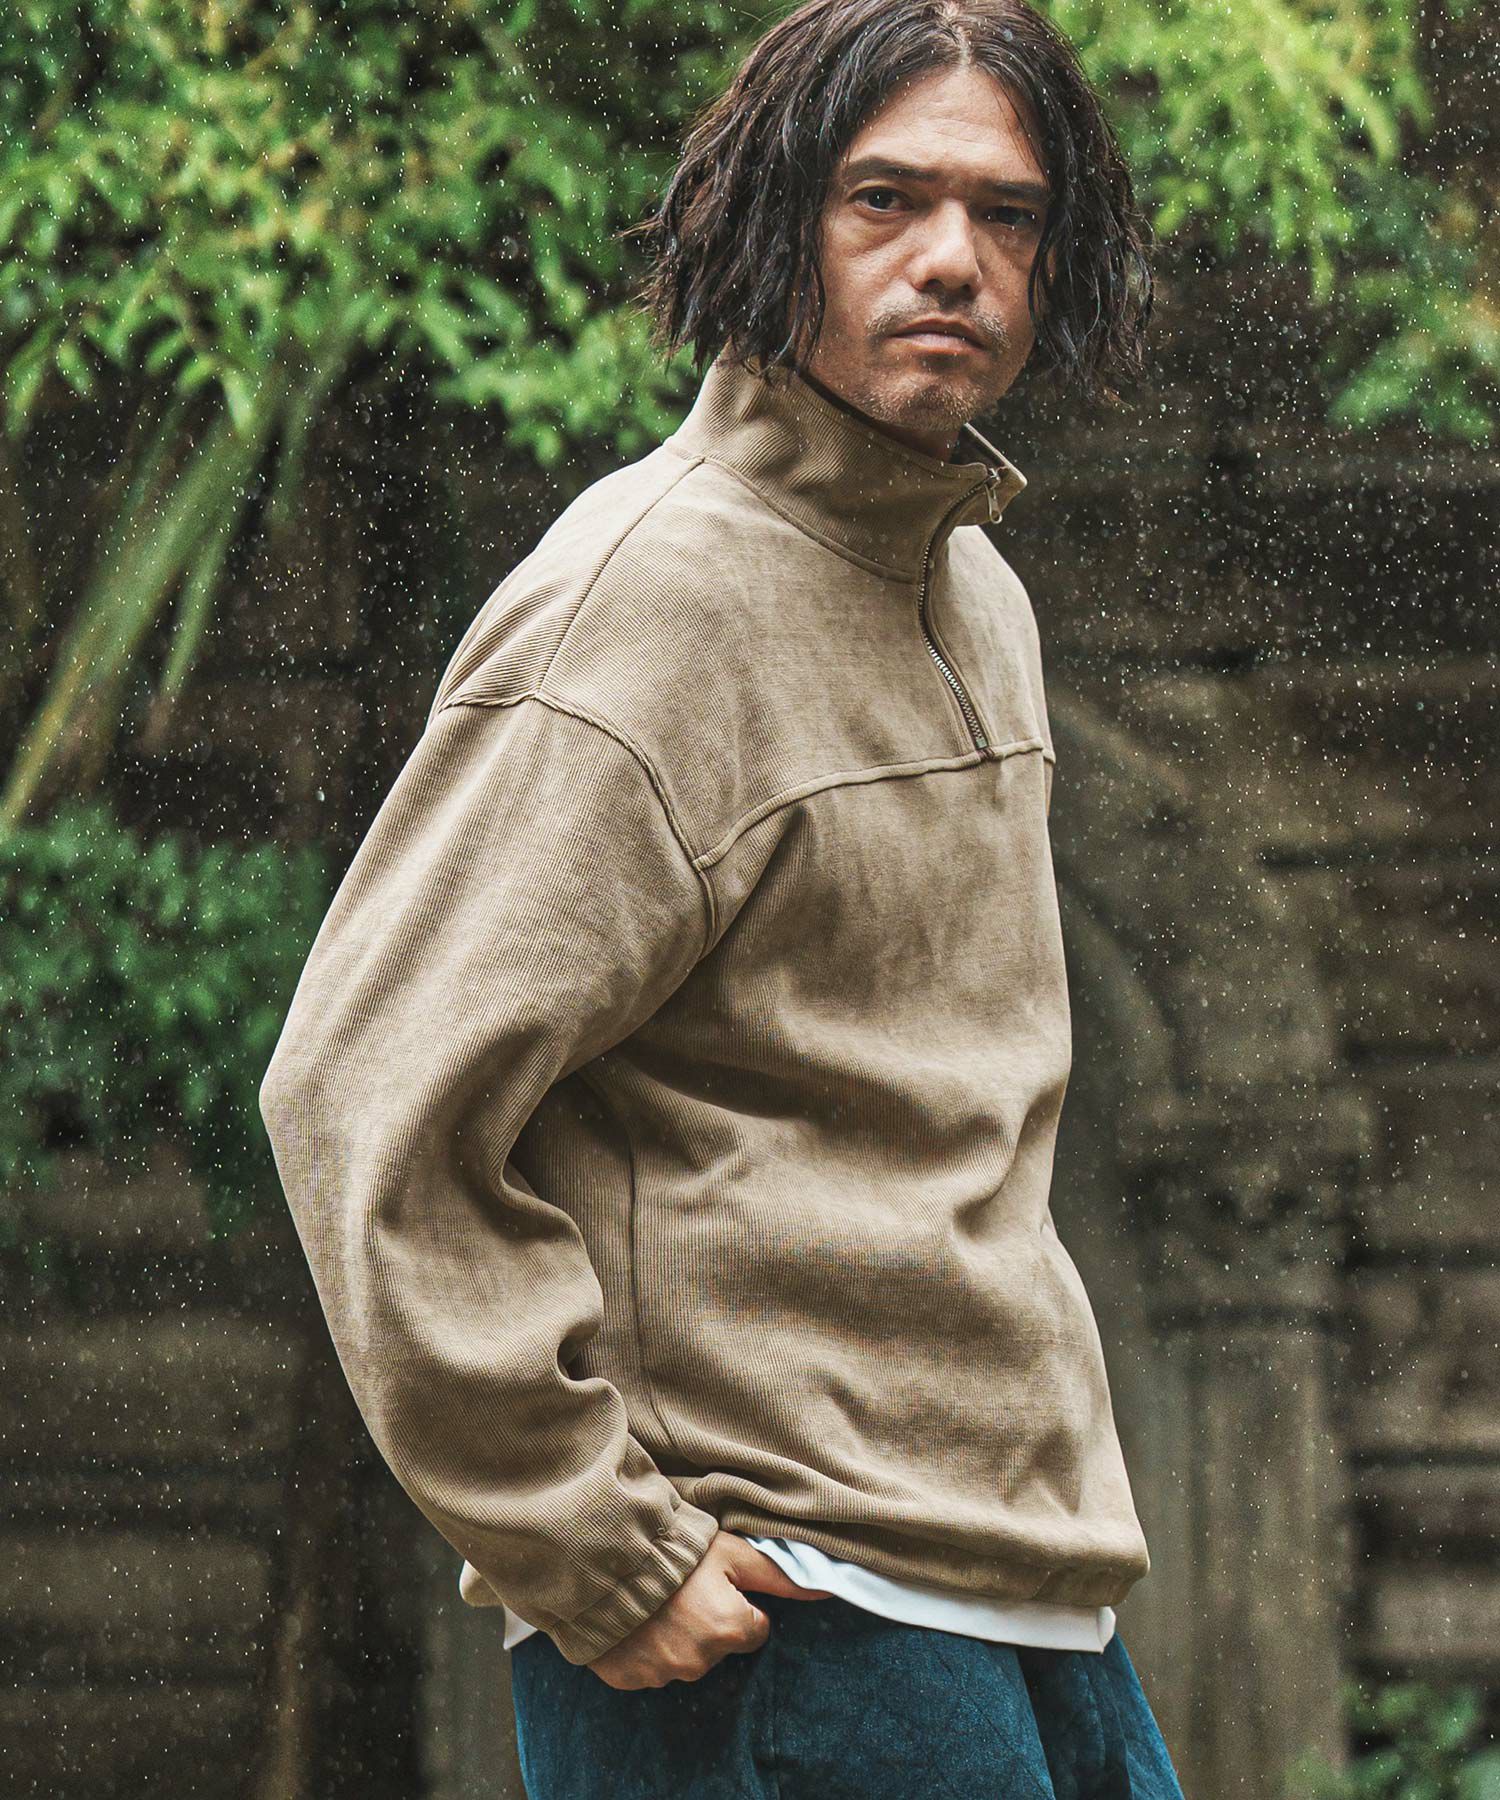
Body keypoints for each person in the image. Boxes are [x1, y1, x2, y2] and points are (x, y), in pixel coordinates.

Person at [259, 0, 1184, 1792]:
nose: (954, 258)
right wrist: (594, 1543)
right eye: (885, 199)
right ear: (776, 222)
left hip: (1021, 1577)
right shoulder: (647, 601)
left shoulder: (974, 594)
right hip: (771, 1606)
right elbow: (361, 1091)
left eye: (1007, 214)